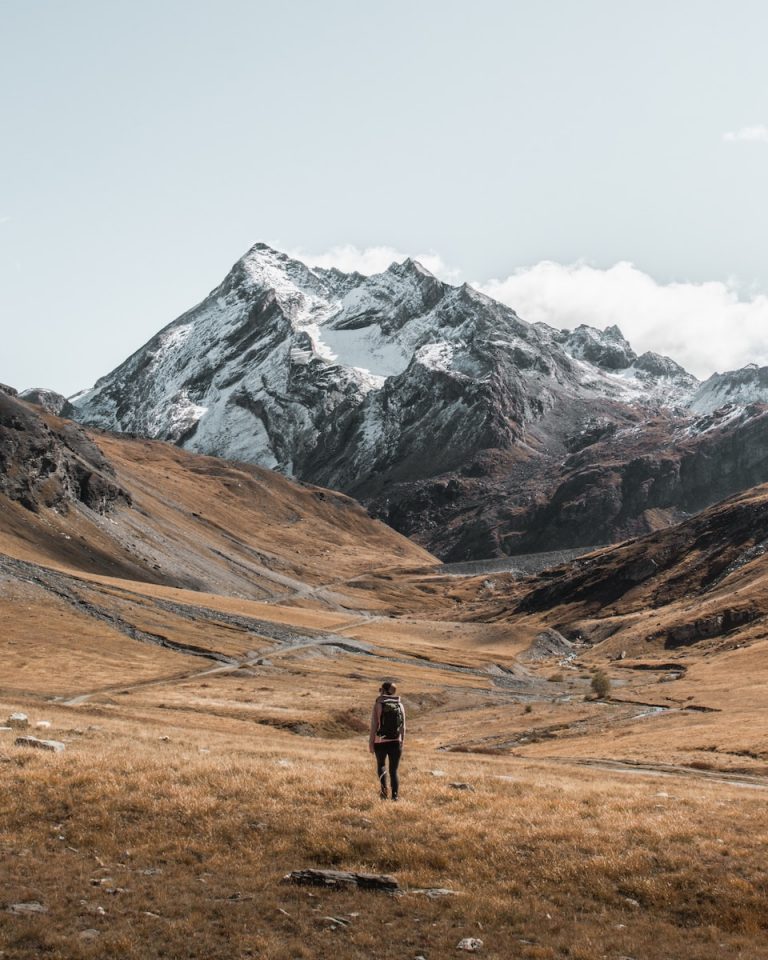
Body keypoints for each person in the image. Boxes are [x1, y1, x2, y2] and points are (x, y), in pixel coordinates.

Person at [369, 680, 405, 800]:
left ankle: (384, 793)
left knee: (381, 766)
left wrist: (371, 743)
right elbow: (403, 727)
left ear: (383, 690)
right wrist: (401, 742)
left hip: (380, 741)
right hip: (396, 742)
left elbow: (374, 725)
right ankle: (395, 796)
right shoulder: (399, 704)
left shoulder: (378, 705)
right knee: (394, 770)